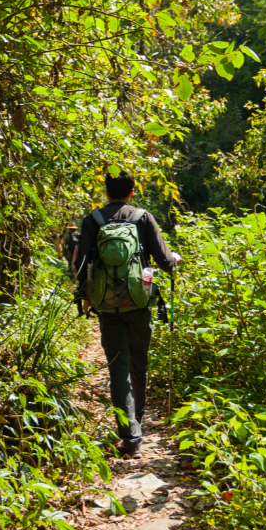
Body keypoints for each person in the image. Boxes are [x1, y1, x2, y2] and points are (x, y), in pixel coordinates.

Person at [74, 172, 181, 459]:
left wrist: (85, 297)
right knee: (139, 363)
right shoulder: (143, 217)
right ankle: (137, 422)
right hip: (139, 301)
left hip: (106, 305)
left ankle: (130, 435)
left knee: (118, 369)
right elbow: (164, 260)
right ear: (132, 192)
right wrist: (175, 261)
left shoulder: (92, 220)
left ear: (106, 192)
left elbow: (82, 262)